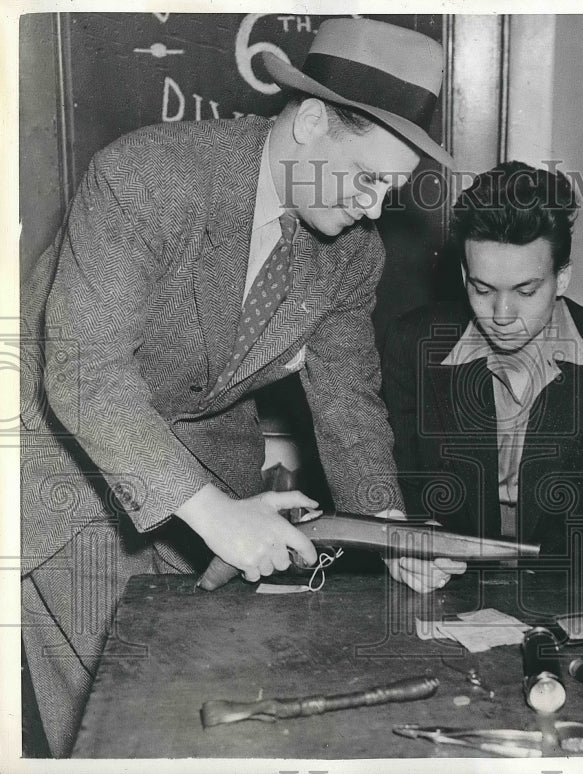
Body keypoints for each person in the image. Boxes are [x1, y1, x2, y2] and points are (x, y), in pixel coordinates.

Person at [20, 18, 453, 756]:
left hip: (208, 468)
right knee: (120, 724)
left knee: (216, 706)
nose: (377, 208)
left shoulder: (353, 255)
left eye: (393, 189)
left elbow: (347, 394)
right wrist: (215, 514)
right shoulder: (146, 178)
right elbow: (86, 374)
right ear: (312, 121)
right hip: (66, 463)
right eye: (370, 178)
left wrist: (387, 523)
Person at [381, 162, 583, 594]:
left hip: (572, 586)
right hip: (442, 584)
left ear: (563, 278)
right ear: (463, 275)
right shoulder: (413, 344)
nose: (502, 316)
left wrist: (553, 587)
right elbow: (395, 484)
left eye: (525, 291)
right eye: (482, 289)